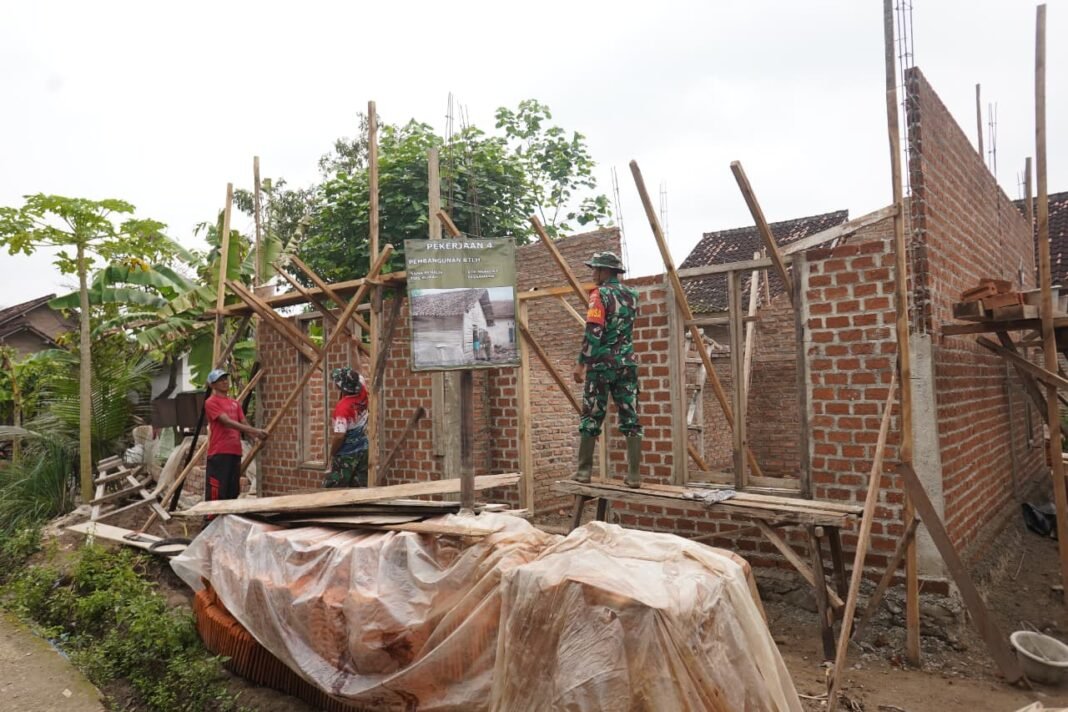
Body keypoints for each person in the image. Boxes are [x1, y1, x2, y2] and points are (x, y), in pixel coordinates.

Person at [571, 251, 643, 488]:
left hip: (601, 365)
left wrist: (582, 363)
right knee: (630, 416)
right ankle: (634, 476)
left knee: (592, 415)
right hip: (627, 364)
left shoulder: (599, 295)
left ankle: (583, 472)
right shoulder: (633, 295)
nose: (593, 273)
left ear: (605, 271)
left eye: (595, 269)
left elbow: (594, 331)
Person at [204, 368, 267, 504]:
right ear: (212, 385)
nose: (224, 382)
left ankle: (228, 519)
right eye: (220, 380)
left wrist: (255, 437)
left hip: (235, 451)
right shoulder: (211, 402)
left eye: (225, 379)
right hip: (219, 452)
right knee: (217, 489)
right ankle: (211, 520)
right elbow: (226, 422)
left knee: (232, 490)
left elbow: (244, 423)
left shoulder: (235, 403)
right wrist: (256, 431)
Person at [323, 366, 370, 488]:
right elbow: (358, 369)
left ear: (340, 387)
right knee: (359, 487)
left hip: (347, 454)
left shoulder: (343, 408)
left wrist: (332, 454)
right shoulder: (362, 389)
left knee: (333, 489)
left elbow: (339, 436)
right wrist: (354, 348)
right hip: (363, 448)